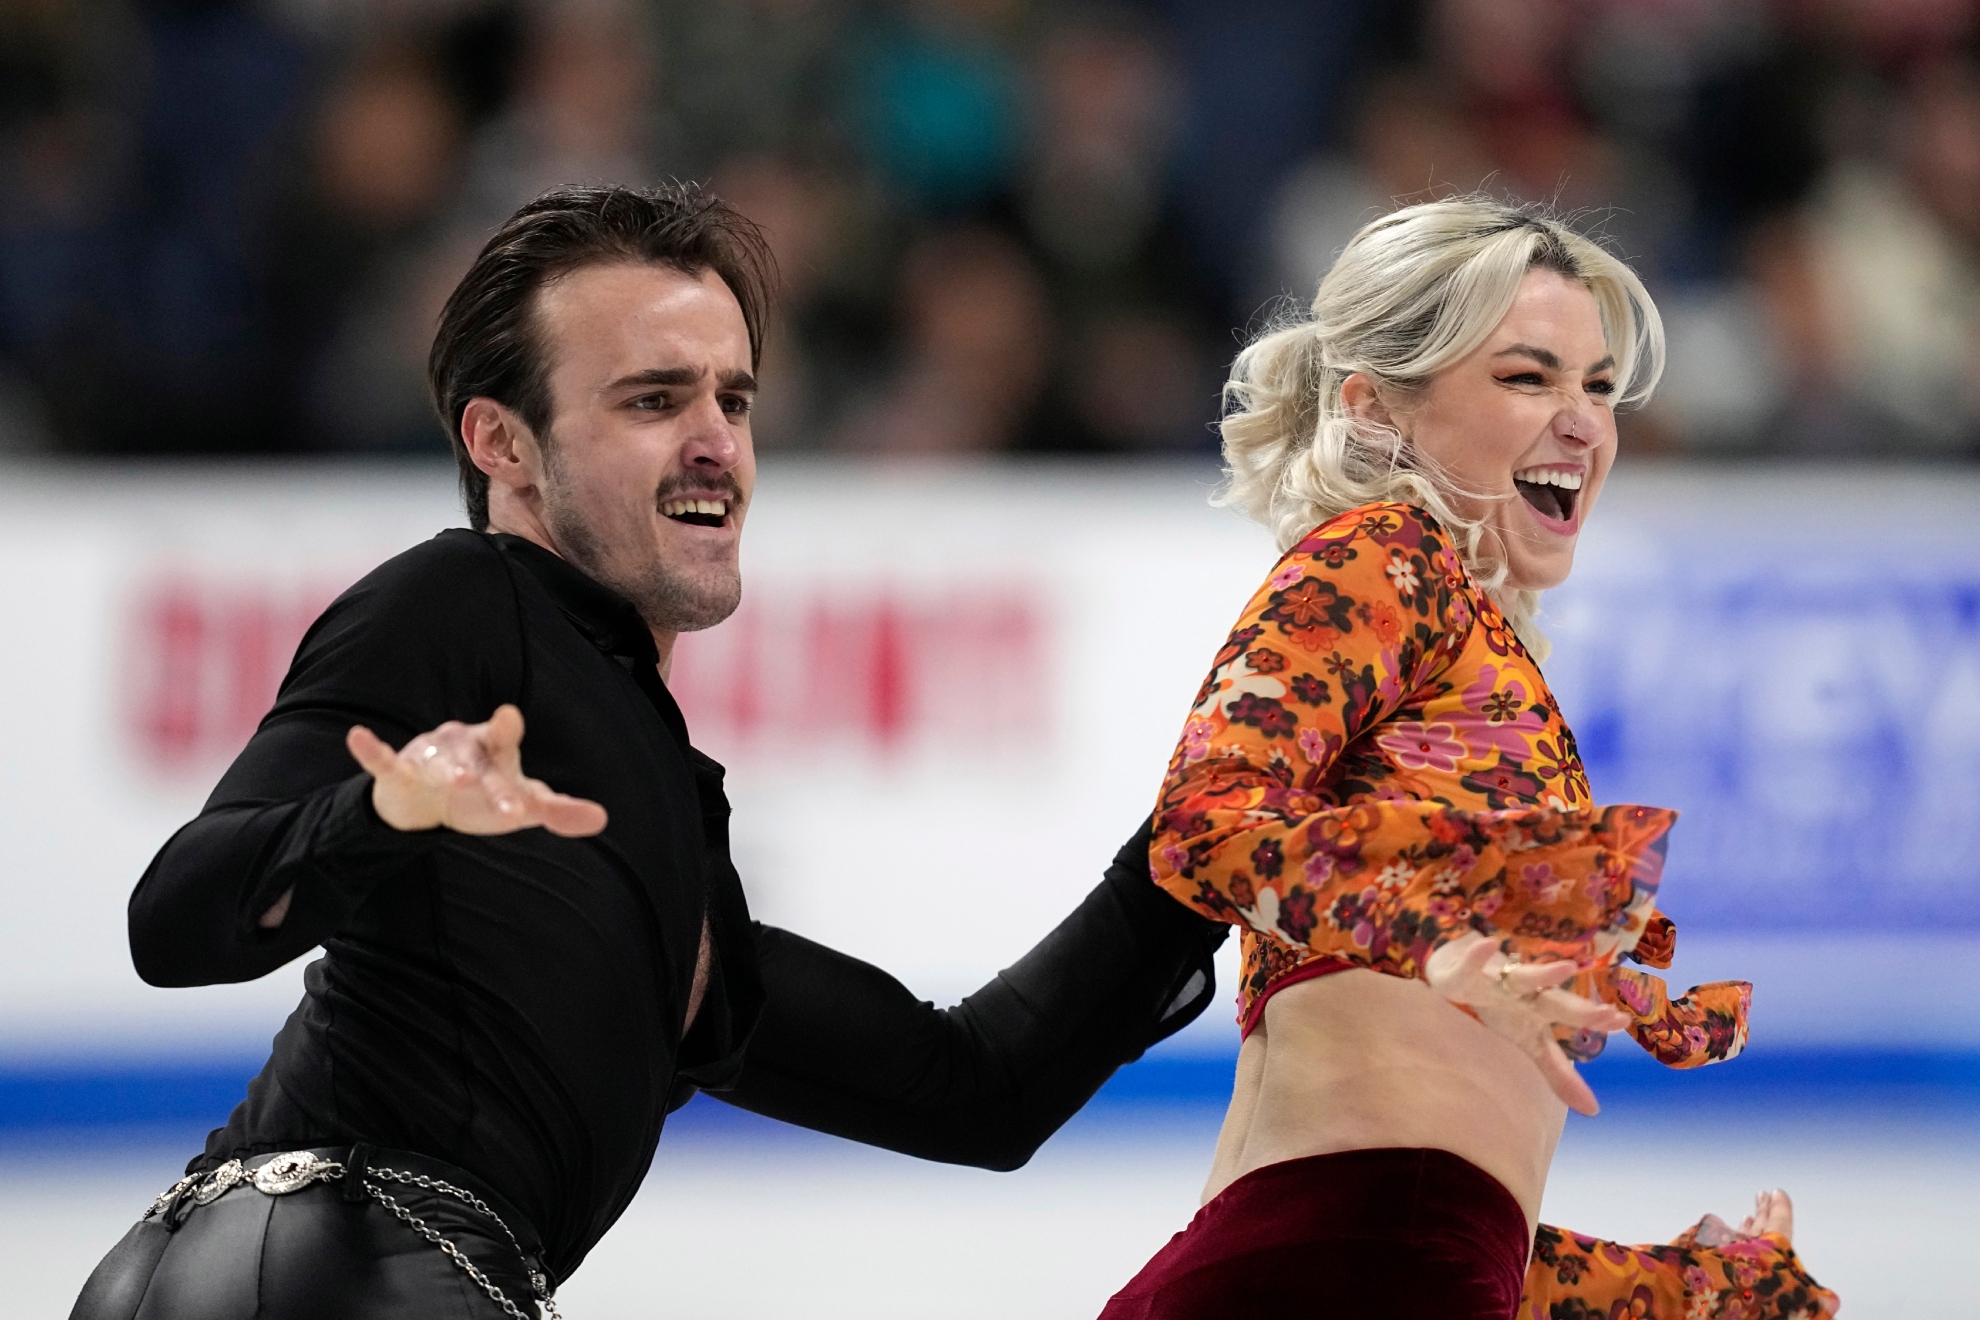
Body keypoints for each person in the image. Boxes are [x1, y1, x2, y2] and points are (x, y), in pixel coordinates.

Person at [69, 183, 1227, 1320]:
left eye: (735, 397)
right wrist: (383, 812)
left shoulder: (665, 882)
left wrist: (1218, 826)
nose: (717, 442)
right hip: (346, 1267)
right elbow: (177, 916)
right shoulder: (464, 600)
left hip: (236, 1270)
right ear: (503, 444)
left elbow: (979, 1092)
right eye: (653, 400)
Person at [1100, 198, 1838, 1320]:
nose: (1584, 421)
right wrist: (1435, 933)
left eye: (1597, 386)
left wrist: (1677, 1293)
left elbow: (1441, 1225)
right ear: (1378, 410)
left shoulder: (1470, 645)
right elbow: (1206, 824)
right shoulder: (1383, 559)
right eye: (1528, 379)